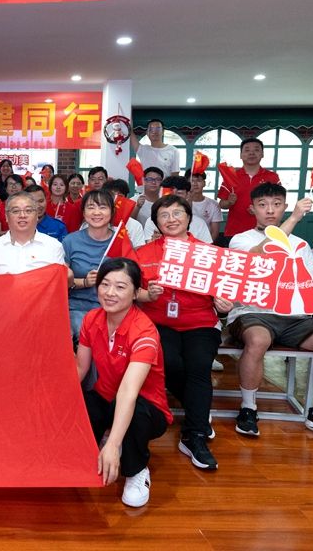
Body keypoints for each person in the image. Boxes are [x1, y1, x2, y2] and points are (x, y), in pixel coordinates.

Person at [228, 183, 313, 443]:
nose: (270, 210)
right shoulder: (241, 239)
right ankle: (249, 407)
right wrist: (296, 218)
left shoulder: (301, 244)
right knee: (259, 340)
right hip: (253, 313)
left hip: (296, 317)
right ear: (252, 209)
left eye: (276, 204)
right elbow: (259, 256)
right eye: (263, 205)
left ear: (284, 207)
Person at [136, 195, 231, 471]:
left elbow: (225, 292)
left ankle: (194, 435)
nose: (171, 219)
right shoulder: (144, 253)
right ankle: (198, 410)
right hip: (158, 322)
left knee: (199, 365)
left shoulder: (209, 253)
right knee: (168, 361)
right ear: (156, 222)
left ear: (189, 218)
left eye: (177, 213)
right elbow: (131, 290)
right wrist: (146, 295)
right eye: (164, 215)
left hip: (200, 322)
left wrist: (224, 304)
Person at [76, 258, 171, 508]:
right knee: (82, 402)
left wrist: (113, 445)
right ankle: (106, 440)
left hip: (147, 408)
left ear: (136, 292)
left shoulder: (145, 332)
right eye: (105, 284)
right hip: (107, 398)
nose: (110, 293)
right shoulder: (91, 319)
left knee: (135, 411)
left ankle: (136, 469)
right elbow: (80, 368)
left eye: (120, 287)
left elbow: (129, 392)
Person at [63, 189, 114, 342]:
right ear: (84, 212)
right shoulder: (70, 241)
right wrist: (85, 282)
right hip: (78, 307)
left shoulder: (119, 241)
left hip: (112, 307)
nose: (96, 212)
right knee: (86, 333)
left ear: (112, 212)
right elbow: (61, 281)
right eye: (91, 207)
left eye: (103, 207)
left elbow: (130, 281)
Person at [217, 137, 280, 242]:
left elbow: (278, 203)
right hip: (235, 232)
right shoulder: (231, 175)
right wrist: (229, 202)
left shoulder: (272, 177)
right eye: (247, 150)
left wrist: (260, 209)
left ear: (262, 154)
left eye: (256, 150)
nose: (251, 153)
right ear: (241, 155)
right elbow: (221, 204)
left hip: (266, 232)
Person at [0, 191, 66, 275]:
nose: (22, 215)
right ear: (6, 217)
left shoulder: (54, 246)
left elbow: (60, 280)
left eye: (28, 210)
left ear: (37, 215)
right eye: (16, 211)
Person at [141, 176, 213, 243]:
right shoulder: (152, 221)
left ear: (188, 195)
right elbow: (149, 248)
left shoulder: (199, 223)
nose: (173, 198)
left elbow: (207, 248)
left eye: (179, 193)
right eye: (168, 194)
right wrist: (154, 242)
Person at [102, 180, 147, 249]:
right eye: (112, 196)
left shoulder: (135, 225)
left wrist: (128, 244)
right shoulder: (96, 223)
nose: (115, 200)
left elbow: (139, 251)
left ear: (126, 198)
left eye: (120, 196)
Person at [187, 169, 222, 242]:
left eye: (199, 180)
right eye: (192, 181)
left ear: (204, 183)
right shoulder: (180, 204)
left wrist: (206, 245)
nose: (195, 184)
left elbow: (214, 232)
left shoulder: (213, 205)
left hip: (205, 242)